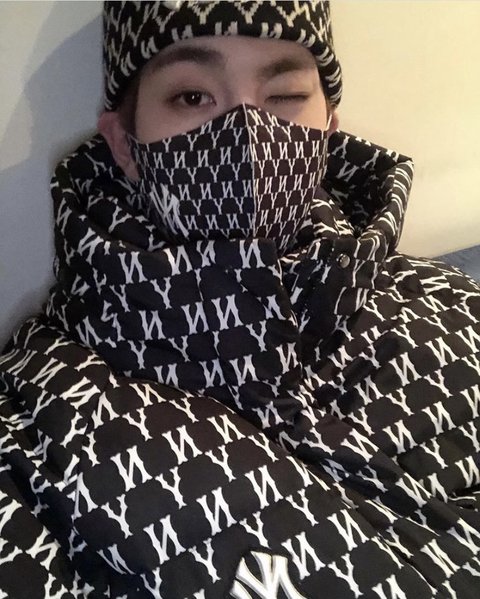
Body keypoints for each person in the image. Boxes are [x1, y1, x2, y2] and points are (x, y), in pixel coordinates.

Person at [0, 2, 479, 597]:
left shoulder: (457, 311)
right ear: (124, 141)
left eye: (284, 95)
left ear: (329, 129)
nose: (248, 136)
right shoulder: (32, 428)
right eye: (192, 97)